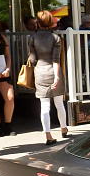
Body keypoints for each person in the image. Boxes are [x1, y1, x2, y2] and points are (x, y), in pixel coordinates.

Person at [28, 10, 68, 145]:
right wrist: (57, 77)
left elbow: (32, 60)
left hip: (39, 72)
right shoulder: (56, 38)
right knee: (59, 103)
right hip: (53, 72)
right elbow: (56, 60)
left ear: (37, 23)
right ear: (51, 22)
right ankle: (63, 128)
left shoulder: (32, 38)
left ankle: (48, 135)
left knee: (44, 106)